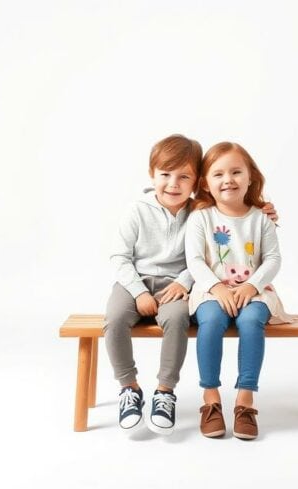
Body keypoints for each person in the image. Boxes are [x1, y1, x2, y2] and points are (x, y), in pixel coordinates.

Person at [105, 134, 277, 435]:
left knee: (177, 318)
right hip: (135, 281)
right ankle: (128, 388)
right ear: (152, 175)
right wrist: (139, 291)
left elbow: (197, 259)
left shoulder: (199, 211)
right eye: (165, 175)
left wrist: (184, 283)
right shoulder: (140, 210)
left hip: (179, 285)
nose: (173, 184)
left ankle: (165, 392)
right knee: (115, 318)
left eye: (183, 177)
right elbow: (121, 257)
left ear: (196, 181)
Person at [186, 141, 291, 440]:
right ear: (205, 183)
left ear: (250, 177)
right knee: (211, 321)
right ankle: (211, 400)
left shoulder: (261, 219)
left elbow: (272, 259)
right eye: (218, 174)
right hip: (211, 291)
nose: (228, 179)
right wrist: (216, 287)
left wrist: (251, 285)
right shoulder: (201, 218)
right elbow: (194, 259)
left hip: (254, 291)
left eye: (235, 172)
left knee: (250, 321)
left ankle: (245, 401)